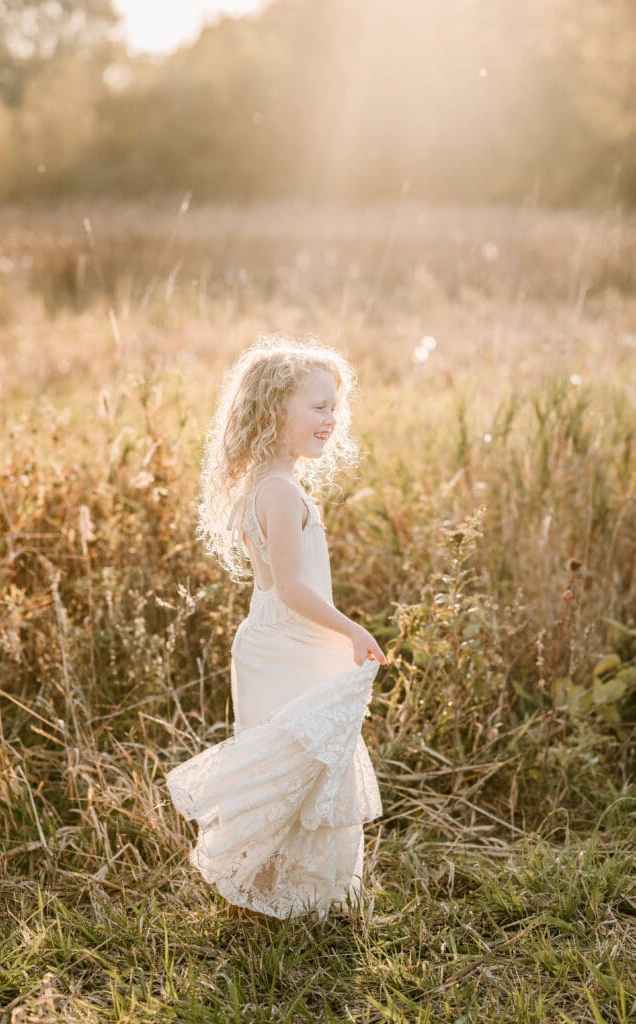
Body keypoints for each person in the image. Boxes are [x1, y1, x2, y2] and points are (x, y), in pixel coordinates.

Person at [166, 334, 387, 921]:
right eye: (317, 407)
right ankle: (298, 898)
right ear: (273, 412)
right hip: (293, 644)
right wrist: (352, 630)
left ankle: (283, 892)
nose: (330, 420)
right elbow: (290, 587)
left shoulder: (262, 486)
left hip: (271, 643)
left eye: (334, 407)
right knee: (303, 762)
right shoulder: (283, 493)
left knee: (290, 762)